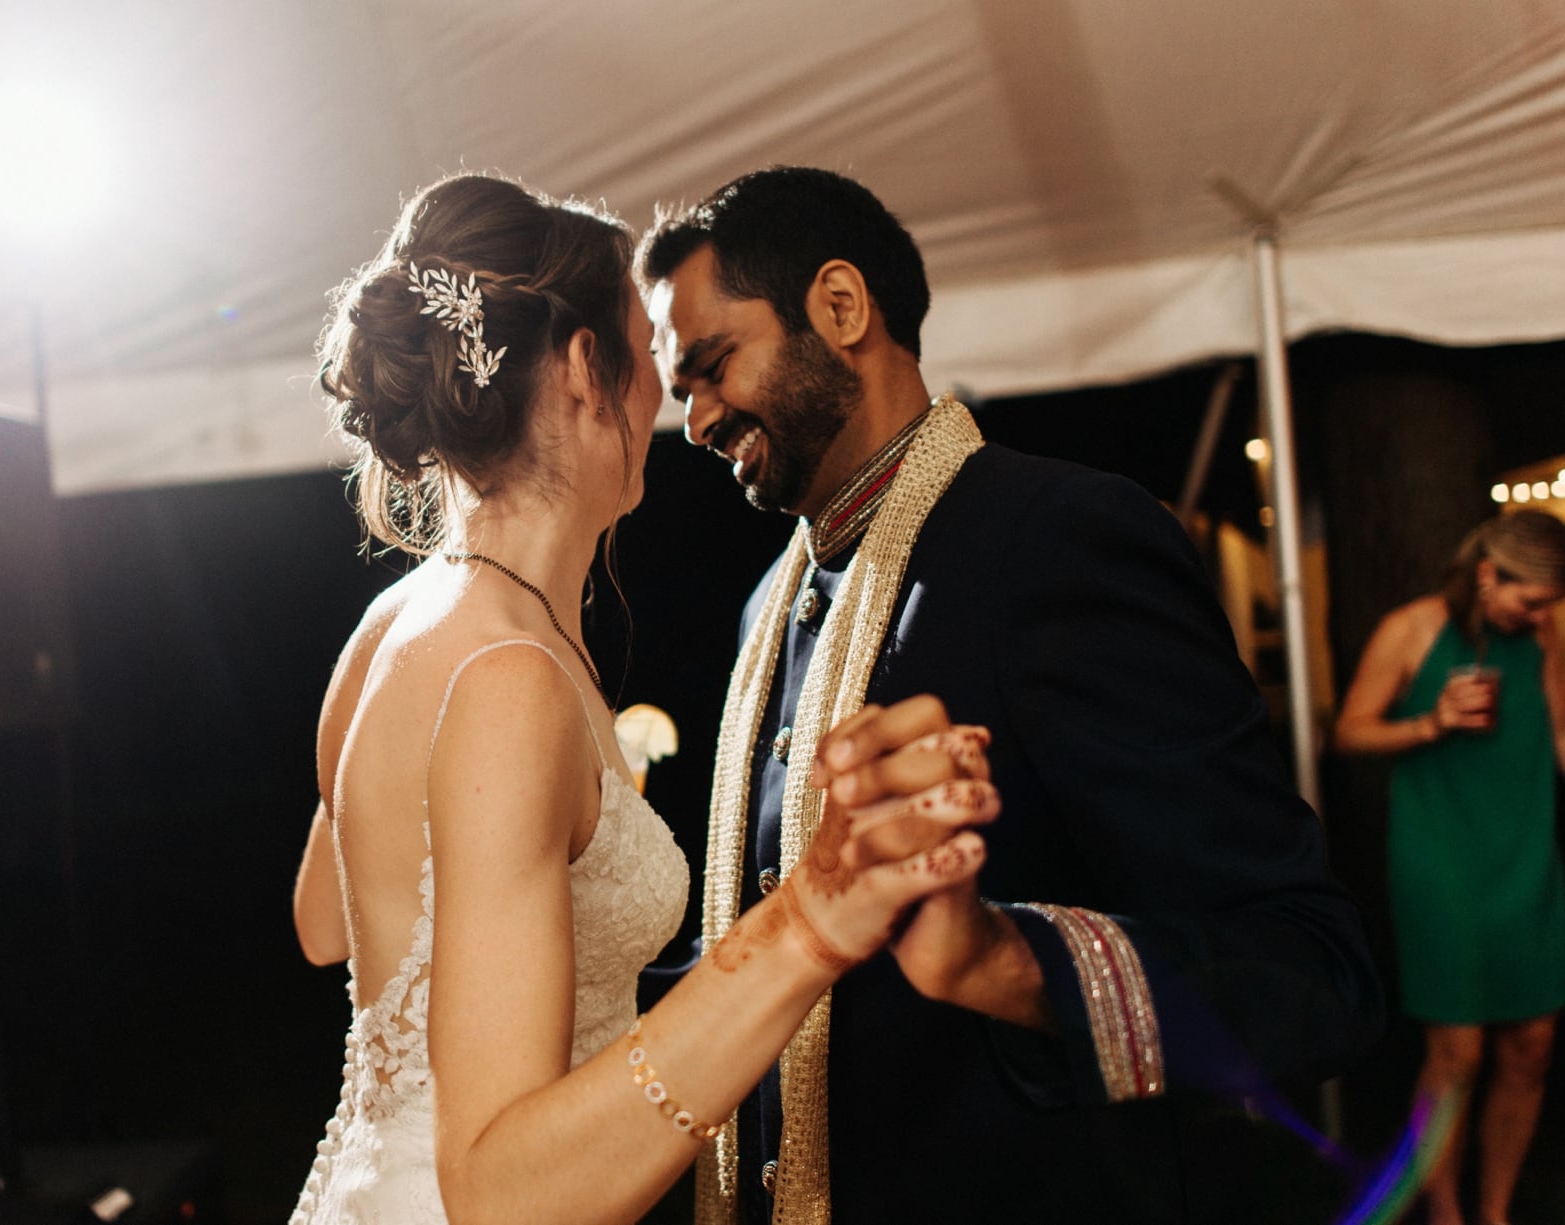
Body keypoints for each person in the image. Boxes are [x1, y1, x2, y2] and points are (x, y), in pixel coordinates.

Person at [640, 166, 1384, 1224]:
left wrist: (1000, 958)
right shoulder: (773, 603)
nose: (700, 419)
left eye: (714, 367)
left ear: (840, 308)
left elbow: (1311, 973)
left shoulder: (1058, 538)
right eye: (683, 393)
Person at [286, 173, 1001, 1225]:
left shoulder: (397, 620)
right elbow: (505, 1201)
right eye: (652, 361)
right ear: (584, 367)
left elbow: (325, 923)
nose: (678, 406)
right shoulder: (511, 680)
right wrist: (805, 920)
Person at [1333, 509, 1565, 1225]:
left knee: (1530, 1043)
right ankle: (1446, 1209)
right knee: (1457, 1052)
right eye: (1531, 599)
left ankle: (1493, 1209)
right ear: (1490, 575)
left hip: (1526, 852)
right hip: (1441, 856)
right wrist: (1431, 721)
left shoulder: (1543, 633)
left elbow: (1557, 728)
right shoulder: (1411, 628)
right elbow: (1349, 731)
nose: (1541, 614)